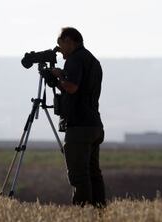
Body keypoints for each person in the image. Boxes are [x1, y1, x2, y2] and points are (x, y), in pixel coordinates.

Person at [51, 27, 106, 208]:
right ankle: (99, 213)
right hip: (94, 125)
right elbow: (80, 90)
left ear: (69, 41)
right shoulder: (92, 60)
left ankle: (81, 214)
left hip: (79, 127)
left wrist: (57, 79)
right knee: (93, 173)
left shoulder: (75, 60)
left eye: (61, 46)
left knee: (79, 175)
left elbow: (72, 88)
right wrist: (61, 79)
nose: (61, 52)